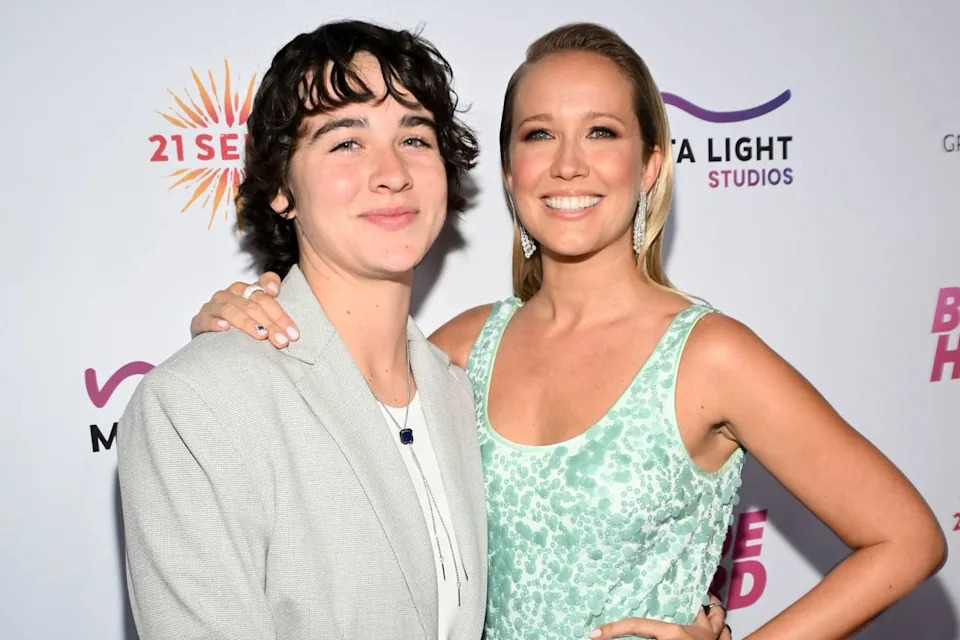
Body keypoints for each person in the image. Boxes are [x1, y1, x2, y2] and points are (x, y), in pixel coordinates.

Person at [195, 21, 948, 640]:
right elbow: (316, 409)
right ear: (509, 170)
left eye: (602, 132)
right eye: (537, 135)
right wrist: (233, 318)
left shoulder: (710, 355)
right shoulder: (458, 348)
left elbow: (908, 539)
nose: (568, 165)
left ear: (650, 164)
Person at [119, 21, 489, 639]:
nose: (392, 172)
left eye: (416, 138)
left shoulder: (457, 395)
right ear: (282, 191)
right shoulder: (196, 405)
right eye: (346, 142)